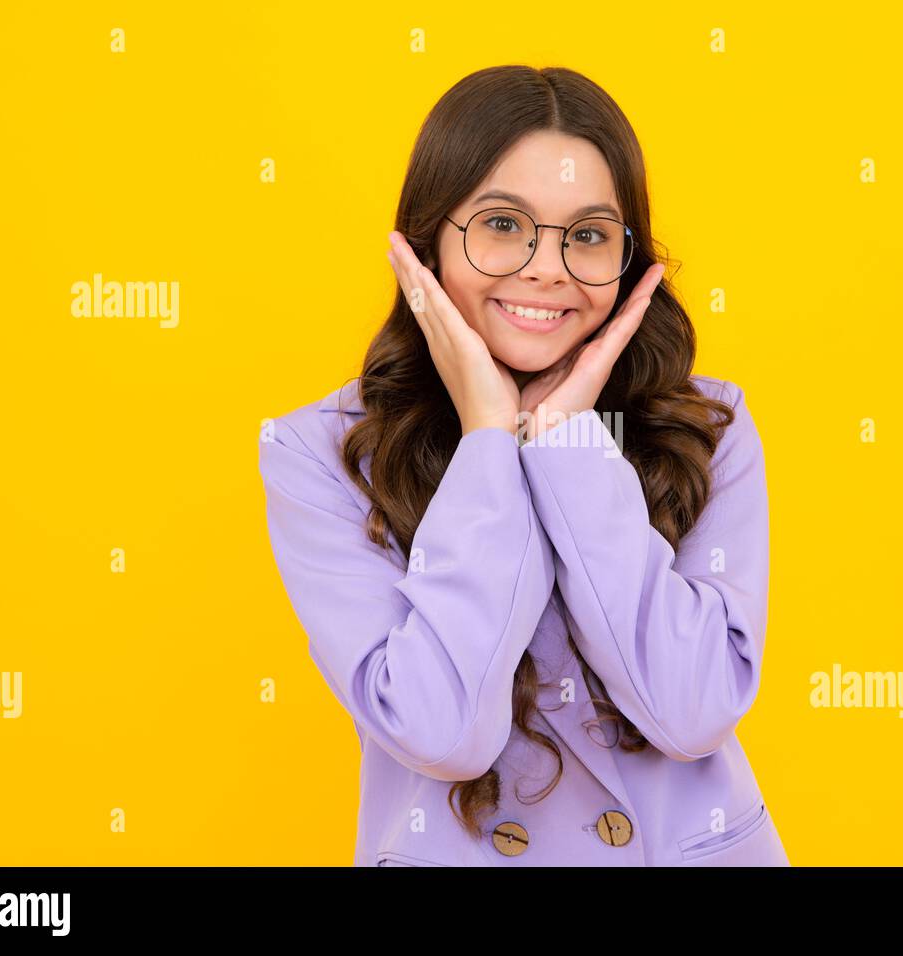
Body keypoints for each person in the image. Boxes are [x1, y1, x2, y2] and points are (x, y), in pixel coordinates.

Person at [258, 64, 789, 866]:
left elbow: (692, 711)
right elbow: (443, 733)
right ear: (426, 240)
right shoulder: (318, 453)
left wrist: (570, 440)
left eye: (587, 235)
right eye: (503, 224)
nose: (548, 268)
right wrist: (487, 440)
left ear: (627, 256)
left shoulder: (705, 423)